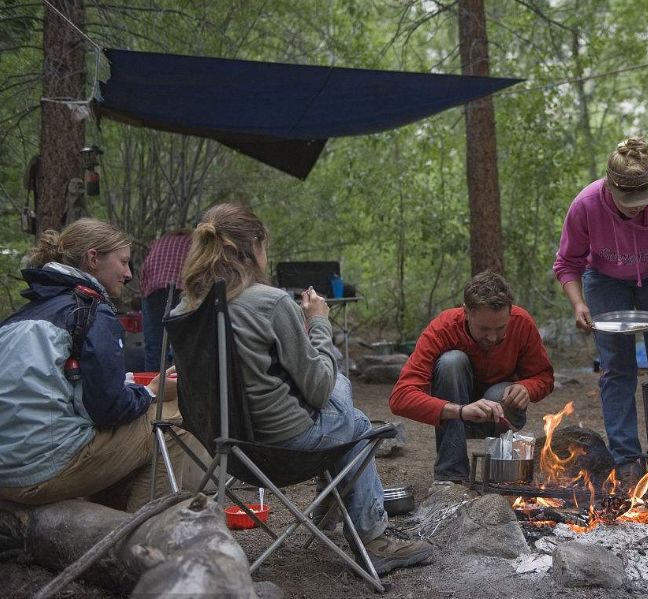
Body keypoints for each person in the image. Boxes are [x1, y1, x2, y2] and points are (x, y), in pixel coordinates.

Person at [176, 203, 432, 575]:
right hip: (284, 450)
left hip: (224, 449)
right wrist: (317, 322)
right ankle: (374, 541)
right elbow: (317, 389)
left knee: (341, 390)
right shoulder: (270, 302)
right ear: (256, 246)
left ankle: (330, 508)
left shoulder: (188, 308)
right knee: (356, 420)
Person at [0, 218, 188, 512]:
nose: (128, 274)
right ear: (92, 258)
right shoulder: (89, 310)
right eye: (123, 262)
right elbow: (108, 409)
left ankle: (104, 517)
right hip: (39, 471)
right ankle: (143, 530)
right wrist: (151, 391)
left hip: (6, 468)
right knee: (172, 420)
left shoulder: (21, 316)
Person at [553, 137, 648, 480]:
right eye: (628, 202)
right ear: (609, 187)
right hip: (603, 280)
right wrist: (578, 304)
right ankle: (627, 461)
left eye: (642, 201)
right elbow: (567, 263)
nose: (636, 208)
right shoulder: (586, 205)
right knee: (617, 368)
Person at [389, 271, 554, 482]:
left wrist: (527, 388)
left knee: (499, 393)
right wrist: (460, 410)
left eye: (501, 328)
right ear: (466, 312)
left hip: (501, 413)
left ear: (510, 312)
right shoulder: (443, 328)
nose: (493, 337)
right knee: (451, 361)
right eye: (484, 329)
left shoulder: (522, 323)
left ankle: (502, 477)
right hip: (456, 415)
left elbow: (545, 376)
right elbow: (400, 397)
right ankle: (451, 478)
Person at [140, 230, 191, 371]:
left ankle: (153, 385)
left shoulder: (158, 242)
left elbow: (144, 270)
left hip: (154, 289)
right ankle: (179, 382)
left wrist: (144, 295)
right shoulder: (192, 242)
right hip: (182, 289)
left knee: (155, 345)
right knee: (182, 343)